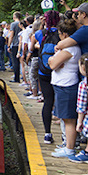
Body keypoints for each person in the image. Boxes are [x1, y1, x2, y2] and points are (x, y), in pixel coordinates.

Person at [49, 18, 81, 159]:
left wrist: (53, 60)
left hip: (66, 85)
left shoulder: (70, 49)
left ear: (65, 35)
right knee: (65, 117)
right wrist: (54, 61)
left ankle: (69, 149)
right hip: (62, 85)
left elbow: (52, 64)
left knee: (69, 119)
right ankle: (67, 145)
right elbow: (54, 62)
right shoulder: (67, 48)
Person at [36, 11, 61, 143]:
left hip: (43, 72)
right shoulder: (62, 34)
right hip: (58, 72)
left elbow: (35, 38)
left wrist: (42, 25)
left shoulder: (41, 34)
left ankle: (47, 134)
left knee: (48, 102)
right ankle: (65, 136)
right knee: (60, 101)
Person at [8, 13, 23, 82]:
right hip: (22, 44)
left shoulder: (13, 24)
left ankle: (16, 78)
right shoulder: (22, 23)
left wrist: (8, 45)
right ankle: (23, 77)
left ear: (14, 17)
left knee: (15, 62)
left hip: (15, 44)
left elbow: (11, 35)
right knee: (22, 62)